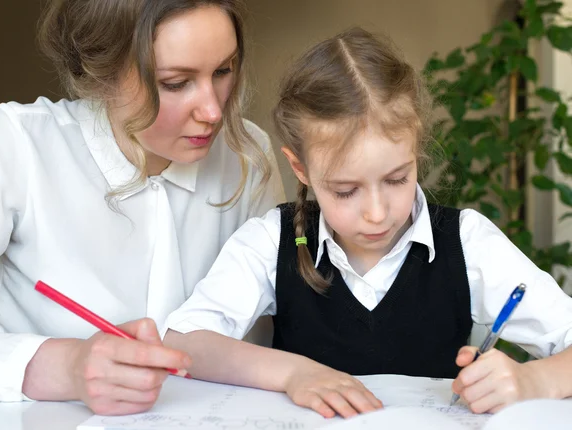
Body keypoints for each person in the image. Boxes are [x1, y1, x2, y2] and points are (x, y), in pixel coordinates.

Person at [162, 27, 572, 419]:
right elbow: (183, 343)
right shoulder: (273, 241)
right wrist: (293, 373)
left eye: (397, 179)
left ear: (416, 149)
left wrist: (534, 378)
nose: (377, 213)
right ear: (300, 168)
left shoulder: (469, 243)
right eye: (345, 190)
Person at [0, 0, 284, 416]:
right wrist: (65, 367)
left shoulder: (248, 155)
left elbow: (283, 328)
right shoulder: (17, 147)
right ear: (102, 74)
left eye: (223, 71)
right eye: (176, 83)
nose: (213, 111)